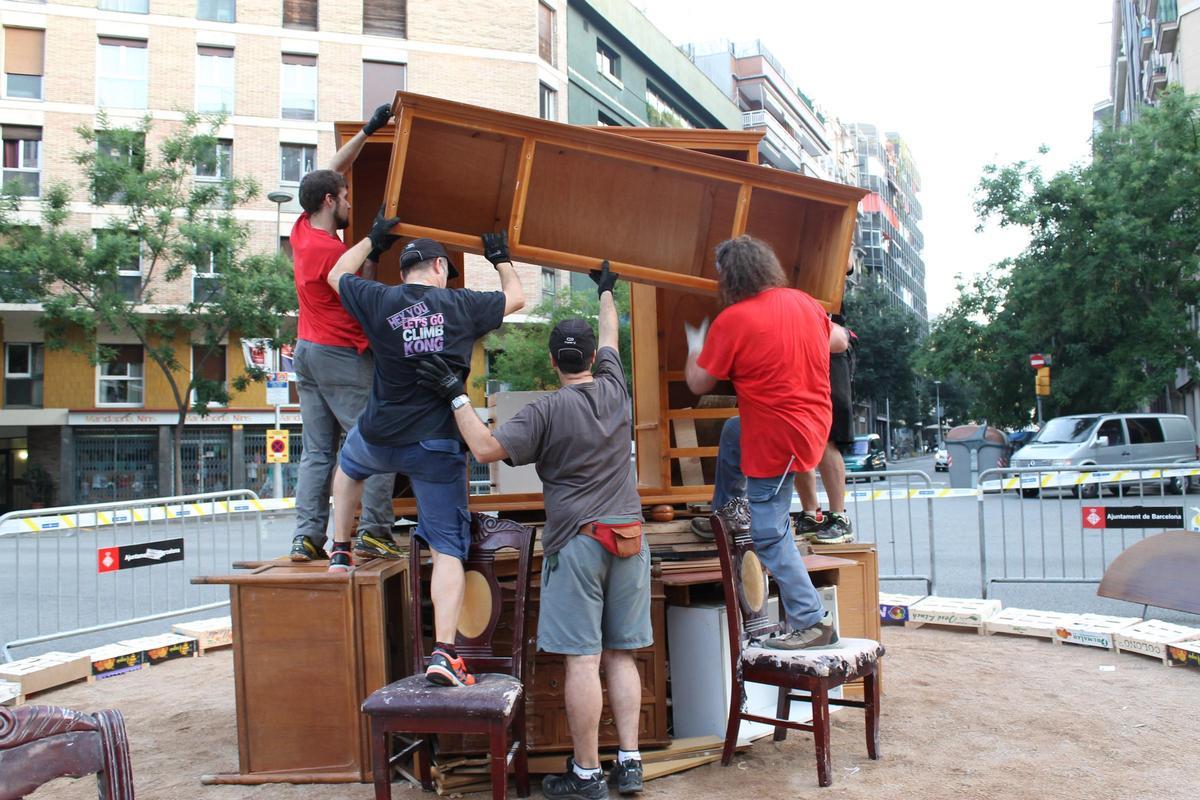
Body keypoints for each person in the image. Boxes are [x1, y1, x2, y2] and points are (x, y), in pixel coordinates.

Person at [415, 261, 649, 799]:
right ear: (593, 357)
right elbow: (611, 331)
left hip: (580, 543)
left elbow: (485, 448)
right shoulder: (616, 389)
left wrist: (455, 392)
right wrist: (606, 290)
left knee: (585, 660)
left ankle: (588, 774)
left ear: (553, 360)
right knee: (622, 655)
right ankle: (630, 762)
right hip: (631, 539)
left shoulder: (545, 411)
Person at [325, 225, 524, 688]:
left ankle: (339, 550)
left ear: (404, 270)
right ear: (439, 267)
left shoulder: (378, 300)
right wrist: (500, 259)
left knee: (348, 465)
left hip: (382, 431)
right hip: (436, 443)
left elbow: (336, 273)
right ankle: (444, 652)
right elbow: (515, 297)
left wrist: (373, 241)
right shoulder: (461, 305)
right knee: (446, 548)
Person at [684, 235, 849, 650]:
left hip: (778, 438)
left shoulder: (733, 320)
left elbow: (698, 383)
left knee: (770, 535)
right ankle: (727, 510)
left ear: (731, 278)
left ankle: (813, 622)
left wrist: (694, 346)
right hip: (808, 427)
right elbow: (840, 341)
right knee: (732, 432)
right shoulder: (805, 303)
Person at [288, 104, 400, 563]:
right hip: (340, 357)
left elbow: (331, 170)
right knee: (374, 441)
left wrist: (371, 130)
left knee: (317, 452)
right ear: (330, 202)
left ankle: (306, 537)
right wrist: (375, 240)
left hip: (306, 353)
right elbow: (356, 285)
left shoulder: (300, 230)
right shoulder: (327, 254)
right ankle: (374, 530)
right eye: (346, 196)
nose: (350, 202)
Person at [794, 318, 857, 544]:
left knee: (828, 437)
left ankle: (839, 517)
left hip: (828, 343)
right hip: (797, 344)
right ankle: (811, 515)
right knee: (799, 436)